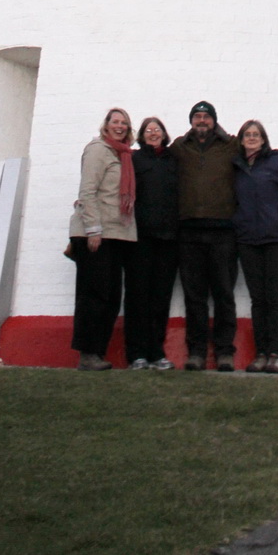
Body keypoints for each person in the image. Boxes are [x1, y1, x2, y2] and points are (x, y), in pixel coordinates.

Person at [171, 101, 278, 372]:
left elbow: (258, 152)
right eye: (197, 117)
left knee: (224, 294)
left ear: (214, 121)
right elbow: (155, 156)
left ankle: (225, 353)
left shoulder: (230, 145)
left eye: (206, 117)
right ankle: (196, 353)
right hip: (190, 231)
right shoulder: (180, 147)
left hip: (223, 232)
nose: (202, 120)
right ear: (191, 121)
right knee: (194, 297)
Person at [69, 107, 136, 370]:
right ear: (106, 125)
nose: (120, 126)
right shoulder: (98, 150)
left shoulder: (123, 155)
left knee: (110, 297)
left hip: (116, 234)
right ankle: (88, 353)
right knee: (93, 295)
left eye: (124, 123)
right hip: (96, 234)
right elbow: (88, 191)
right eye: (115, 121)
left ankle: (97, 352)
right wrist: (93, 229)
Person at [234, 119, 278, 374]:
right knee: (257, 299)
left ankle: (276, 353)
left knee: (274, 298)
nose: (252, 138)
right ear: (241, 140)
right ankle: (260, 352)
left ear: (263, 140)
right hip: (248, 241)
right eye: (247, 135)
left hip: (277, 241)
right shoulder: (236, 167)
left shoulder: (276, 163)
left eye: (256, 134)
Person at [123, 116, 179, 370]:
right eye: (148, 130)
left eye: (157, 129)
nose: (153, 133)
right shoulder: (134, 159)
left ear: (164, 134)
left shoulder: (173, 160)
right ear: (142, 135)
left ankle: (157, 351)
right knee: (137, 296)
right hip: (139, 239)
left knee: (160, 297)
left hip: (168, 239)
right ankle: (137, 354)